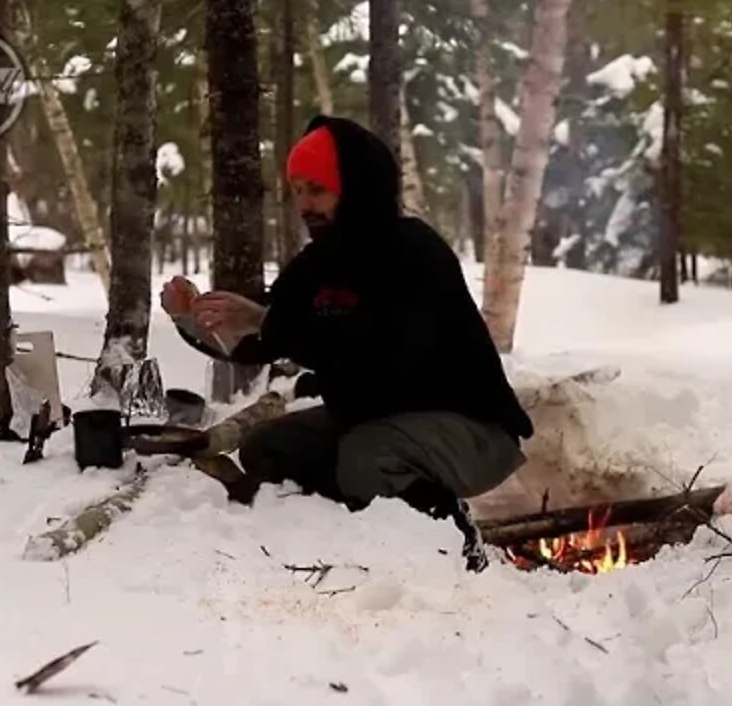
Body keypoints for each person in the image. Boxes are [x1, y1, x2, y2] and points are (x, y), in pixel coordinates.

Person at [159, 115, 533, 571]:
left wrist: (266, 320)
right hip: (382, 420)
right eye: (297, 191)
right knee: (267, 449)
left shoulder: (414, 252)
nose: (305, 204)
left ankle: (455, 546)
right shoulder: (320, 261)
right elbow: (263, 339)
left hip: (472, 431)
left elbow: (380, 353)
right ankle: (353, 524)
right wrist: (194, 318)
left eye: (317, 189)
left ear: (356, 188)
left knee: (366, 458)